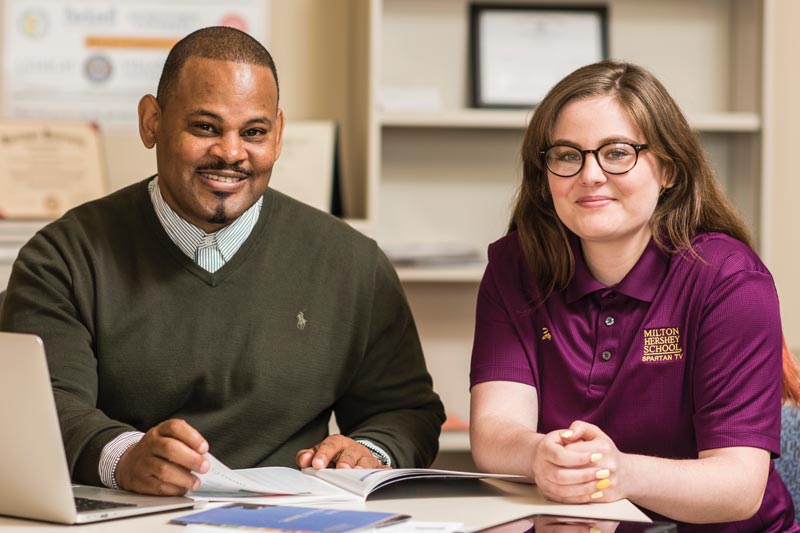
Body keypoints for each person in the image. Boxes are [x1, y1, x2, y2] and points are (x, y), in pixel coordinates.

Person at [0, 26, 444, 496]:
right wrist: (122, 457)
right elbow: (42, 406)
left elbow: (408, 411)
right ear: (152, 121)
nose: (231, 153)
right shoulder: (62, 257)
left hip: (293, 522)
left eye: (254, 132)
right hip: (127, 516)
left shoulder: (354, 263)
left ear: (278, 136)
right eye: (205, 127)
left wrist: (370, 451)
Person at [469, 60, 800, 532]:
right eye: (567, 155)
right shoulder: (515, 266)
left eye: (617, 152)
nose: (590, 175)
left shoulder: (729, 280)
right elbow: (495, 430)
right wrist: (539, 454)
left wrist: (618, 472)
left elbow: (738, 487)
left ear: (667, 168)